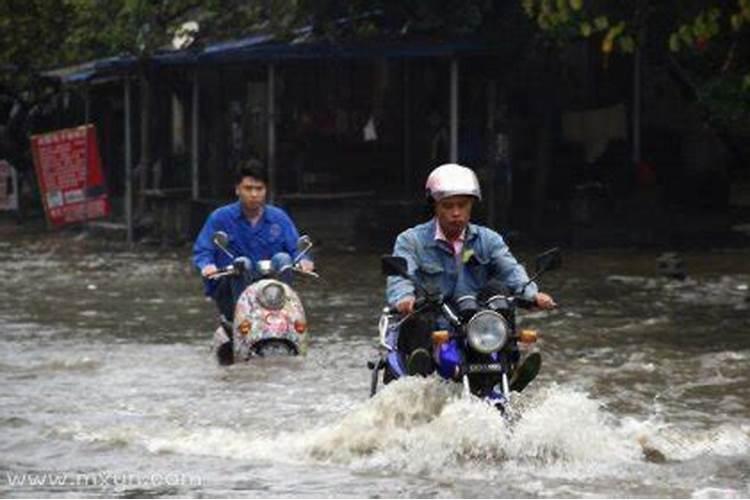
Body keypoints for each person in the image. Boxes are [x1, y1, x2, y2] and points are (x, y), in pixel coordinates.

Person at [386, 163, 556, 387]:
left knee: (500, 294)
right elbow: (401, 275)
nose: (456, 213)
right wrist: (404, 299)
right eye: (448, 206)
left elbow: (511, 269)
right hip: (432, 320)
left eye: (462, 205)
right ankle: (420, 372)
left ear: (472, 206)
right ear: (435, 206)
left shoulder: (489, 240)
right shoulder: (411, 241)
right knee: (420, 316)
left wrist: (533, 295)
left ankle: (510, 366)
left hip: (477, 325)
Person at [193, 162, 314, 324]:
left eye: (259, 189)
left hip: (271, 294)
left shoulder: (279, 218)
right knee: (242, 263)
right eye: (248, 188)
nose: (254, 194)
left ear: (266, 191)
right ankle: (242, 320)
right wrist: (207, 266)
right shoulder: (220, 218)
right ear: (238, 190)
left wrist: (304, 261)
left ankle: (285, 315)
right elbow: (203, 250)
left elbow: (296, 249)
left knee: (283, 258)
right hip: (231, 292)